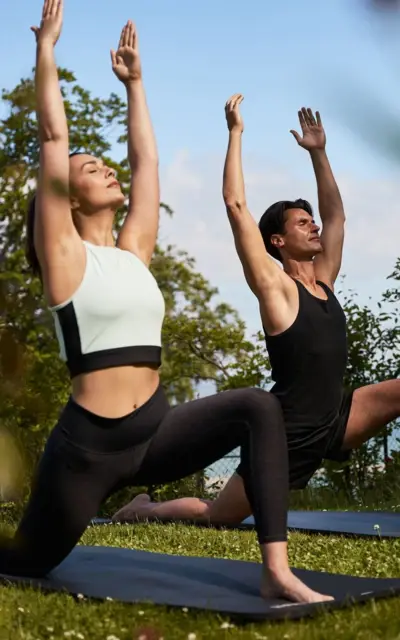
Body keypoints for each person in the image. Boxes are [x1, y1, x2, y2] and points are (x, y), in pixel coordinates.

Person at [0, 2, 330, 605]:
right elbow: (53, 136)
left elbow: (146, 162)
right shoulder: (65, 258)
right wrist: (46, 48)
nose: (101, 168)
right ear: (64, 197)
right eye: (87, 166)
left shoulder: (132, 250)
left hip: (154, 432)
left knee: (259, 407)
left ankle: (276, 569)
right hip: (87, 453)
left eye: (101, 163)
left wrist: (136, 84)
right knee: (24, 561)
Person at [113, 94, 400, 530]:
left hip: (337, 417)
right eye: (303, 223)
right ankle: (142, 509)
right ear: (278, 242)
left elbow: (337, 217)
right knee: (217, 517)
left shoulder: (323, 280)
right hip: (286, 434)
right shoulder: (276, 290)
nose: (314, 225)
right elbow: (236, 206)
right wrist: (235, 133)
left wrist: (319, 154)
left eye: (310, 220)